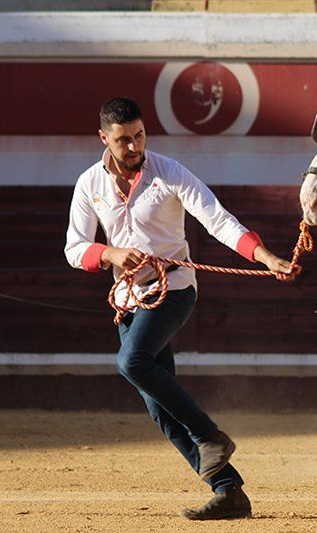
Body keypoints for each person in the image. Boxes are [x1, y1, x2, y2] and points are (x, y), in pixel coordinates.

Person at [65, 97, 297, 520]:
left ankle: (211, 436)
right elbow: (74, 248)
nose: (134, 147)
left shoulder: (168, 171)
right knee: (160, 410)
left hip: (173, 289)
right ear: (104, 139)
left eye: (139, 136)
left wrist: (263, 256)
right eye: (123, 141)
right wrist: (110, 254)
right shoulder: (89, 184)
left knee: (131, 361)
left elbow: (218, 219)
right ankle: (228, 490)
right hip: (130, 301)